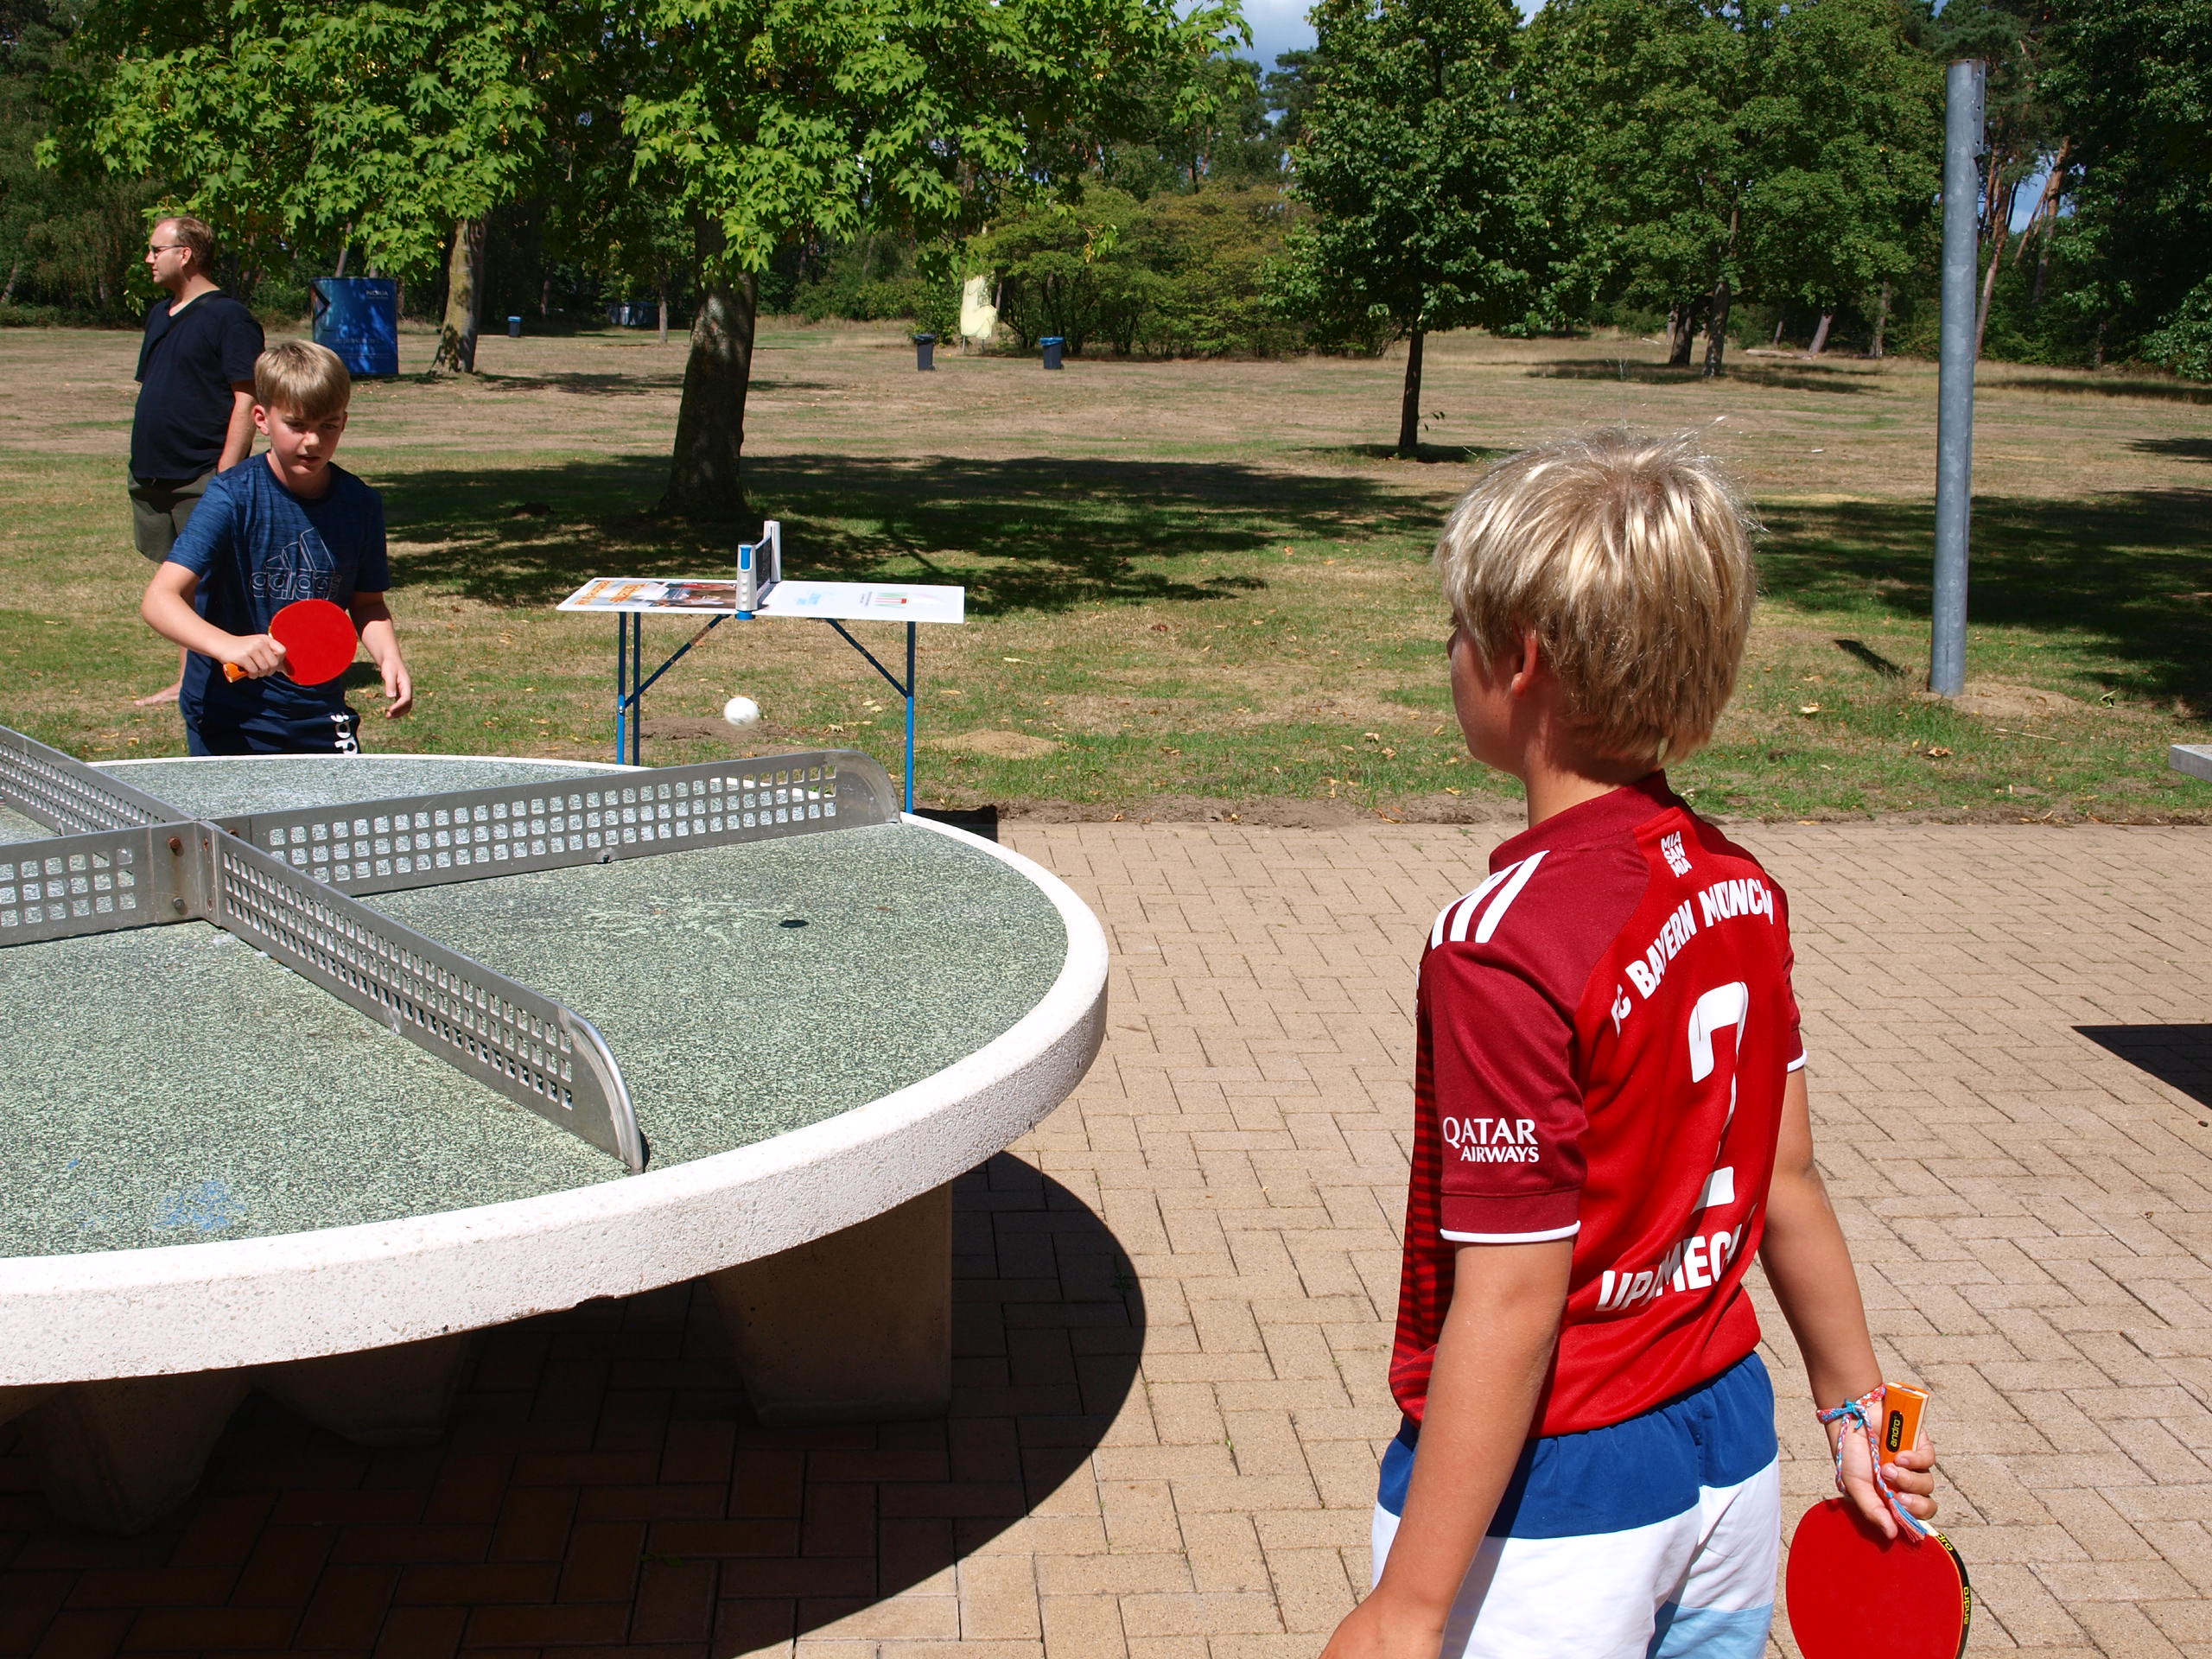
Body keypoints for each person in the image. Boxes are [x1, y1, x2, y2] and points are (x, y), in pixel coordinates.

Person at [1319, 431, 1938, 1659]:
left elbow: (1513, 1294)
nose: (1448, 655)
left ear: (1521, 659)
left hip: (1559, 1498)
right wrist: (1859, 1409)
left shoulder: (1500, 942)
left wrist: (1410, 1607)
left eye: (1456, 629)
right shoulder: (1739, 887)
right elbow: (1787, 1178)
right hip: (1730, 1448)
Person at [140, 340, 412, 755]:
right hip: (227, 713)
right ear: (262, 419)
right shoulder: (232, 497)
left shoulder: (361, 504)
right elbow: (159, 599)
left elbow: (368, 603)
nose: (312, 441)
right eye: (297, 425)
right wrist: (227, 645)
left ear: (344, 422)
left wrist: (389, 657)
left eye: (328, 426)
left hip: (317, 708)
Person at [128, 214, 264, 705]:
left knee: (210, 580)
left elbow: (246, 398)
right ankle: (189, 680)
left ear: (184, 254)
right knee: (178, 581)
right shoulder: (160, 314)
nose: (149, 259)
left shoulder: (230, 318)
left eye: (155, 249)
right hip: (153, 471)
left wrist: (227, 471)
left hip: (201, 472)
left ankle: (228, 673)